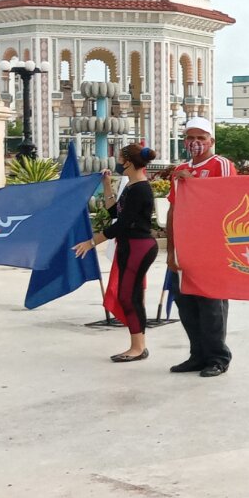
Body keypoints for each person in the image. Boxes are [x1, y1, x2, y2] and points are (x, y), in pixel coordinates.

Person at [166, 117, 237, 377]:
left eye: (201, 138)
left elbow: (228, 198)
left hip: (212, 247)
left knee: (211, 304)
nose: (195, 143)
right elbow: (174, 209)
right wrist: (171, 250)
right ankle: (197, 354)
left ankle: (218, 357)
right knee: (186, 302)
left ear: (211, 141)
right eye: (191, 138)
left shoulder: (221, 165)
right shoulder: (181, 169)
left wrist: (195, 183)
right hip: (185, 247)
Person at [74, 144, 158, 363]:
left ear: (128, 161)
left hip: (138, 246)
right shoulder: (131, 186)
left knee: (128, 296)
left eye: (120, 158)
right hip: (130, 246)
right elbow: (114, 212)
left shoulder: (141, 189)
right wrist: (106, 185)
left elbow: (121, 224)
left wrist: (91, 242)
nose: (118, 162)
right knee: (130, 295)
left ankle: (138, 347)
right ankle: (138, 345)